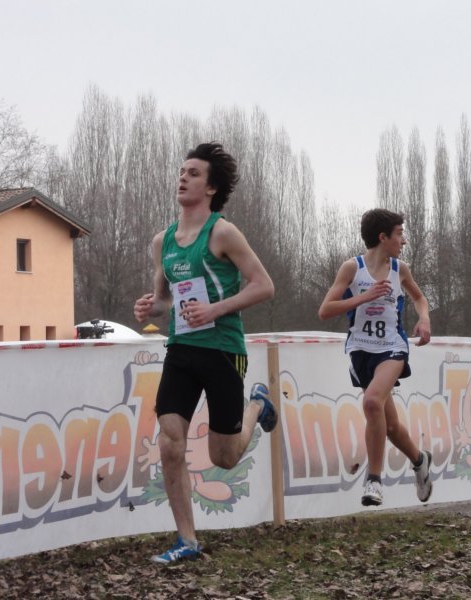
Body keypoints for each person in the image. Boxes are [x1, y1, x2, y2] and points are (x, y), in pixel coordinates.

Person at [133, 142, 276, 564]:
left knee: (223, 457)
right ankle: (187, 541)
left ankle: (257, 405)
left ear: (211, 188)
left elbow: (264, 285)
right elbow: (165, 299)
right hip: (181, 348)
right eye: (182, 171)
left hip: (222, 349)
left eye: (193, 173)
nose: (183, 177)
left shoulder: (223, 233)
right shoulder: (162, 242)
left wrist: (214, 309)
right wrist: (150, 307)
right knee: (170, 443)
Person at [318, 208, 433, 507]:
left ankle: (374, 480)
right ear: (383, 237)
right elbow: (325, 309)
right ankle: (420, 460)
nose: (403, 241)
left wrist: (424, 319)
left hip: (392, 347)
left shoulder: (400, 269)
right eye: (399, 234)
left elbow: (419, 298)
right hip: (361, 350)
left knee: (371, 402)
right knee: (390, 425)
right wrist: (363, 297)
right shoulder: (351, 268)